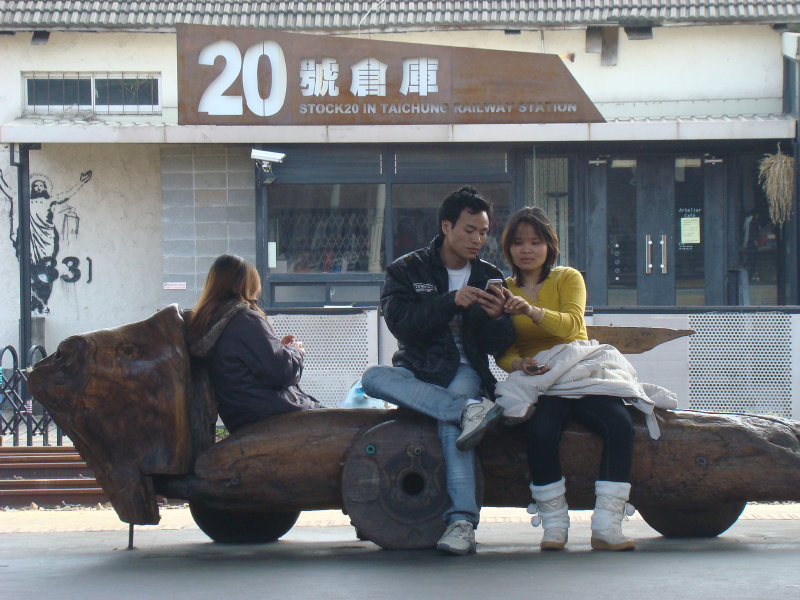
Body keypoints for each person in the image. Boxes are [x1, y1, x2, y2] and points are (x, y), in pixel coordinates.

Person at [361, 186, 515, 555]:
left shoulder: (490, 274)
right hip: (417, 367)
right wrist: (449, 302)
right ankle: (468, 410)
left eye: (483, 231)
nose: (478, 239)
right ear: (446, 226)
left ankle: (461, 523)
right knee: (372, 378)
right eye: (469, 230)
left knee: (453, 426)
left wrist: (498, 318)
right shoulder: (407, 269)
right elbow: (402, 326)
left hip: (465, 368)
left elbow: (499, 344)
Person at [495, 207, 637, 552]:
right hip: (542, 383)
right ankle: (555, 525)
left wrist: (530, 310)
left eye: (535, 241)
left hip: (580, 371)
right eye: (517, 242)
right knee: (541, 432)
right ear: (508, 248)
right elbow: (501, 350)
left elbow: (573, 326)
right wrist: (520, 364)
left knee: (619, 425)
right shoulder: (501, 290)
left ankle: (607, 526)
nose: (526, 249)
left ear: (549, 246)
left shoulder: (568, 278)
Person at [187, 254, 319, 433]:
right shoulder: (244, 319)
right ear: (246, 284)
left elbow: (247, 362)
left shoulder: (210, 320)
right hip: (273, 415)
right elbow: (281, 371)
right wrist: (296, 352)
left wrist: (278, 347)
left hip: (243, 416)